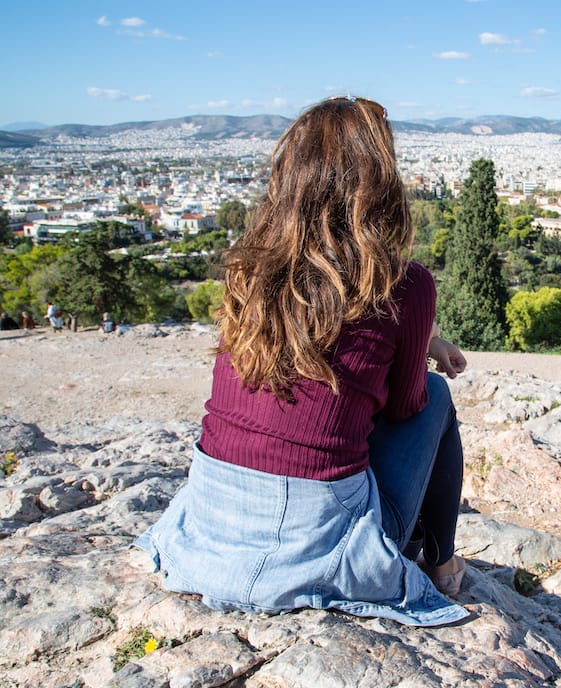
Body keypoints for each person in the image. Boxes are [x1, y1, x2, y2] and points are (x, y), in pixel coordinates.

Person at [135, 97, 470, 627]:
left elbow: (327, 324)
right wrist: (411, 352)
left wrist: (422, 336)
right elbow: (408, 408)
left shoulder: (251, 270)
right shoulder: (404, 285)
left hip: (212, 523)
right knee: (438, 398)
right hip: (320, 543)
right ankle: (443, 564)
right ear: (379, 179)